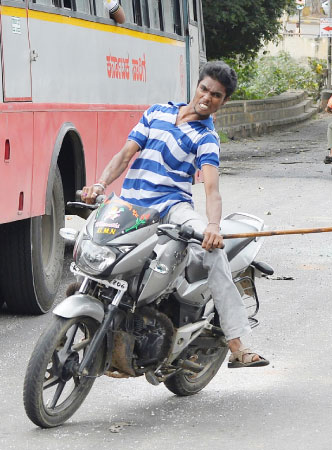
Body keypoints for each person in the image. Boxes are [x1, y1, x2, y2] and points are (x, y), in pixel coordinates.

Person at [80, 61, 269, 369]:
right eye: (204, 89)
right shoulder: (157, 112)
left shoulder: (206, 138)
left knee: (214, 251)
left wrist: (211, 226)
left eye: (216, 95)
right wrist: (99, 185)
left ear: (224, 101)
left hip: (171, 207)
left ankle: (235, 342)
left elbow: (211, 189)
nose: (207, 98)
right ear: (196, 86)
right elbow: (125, 156)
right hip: (129, 205)